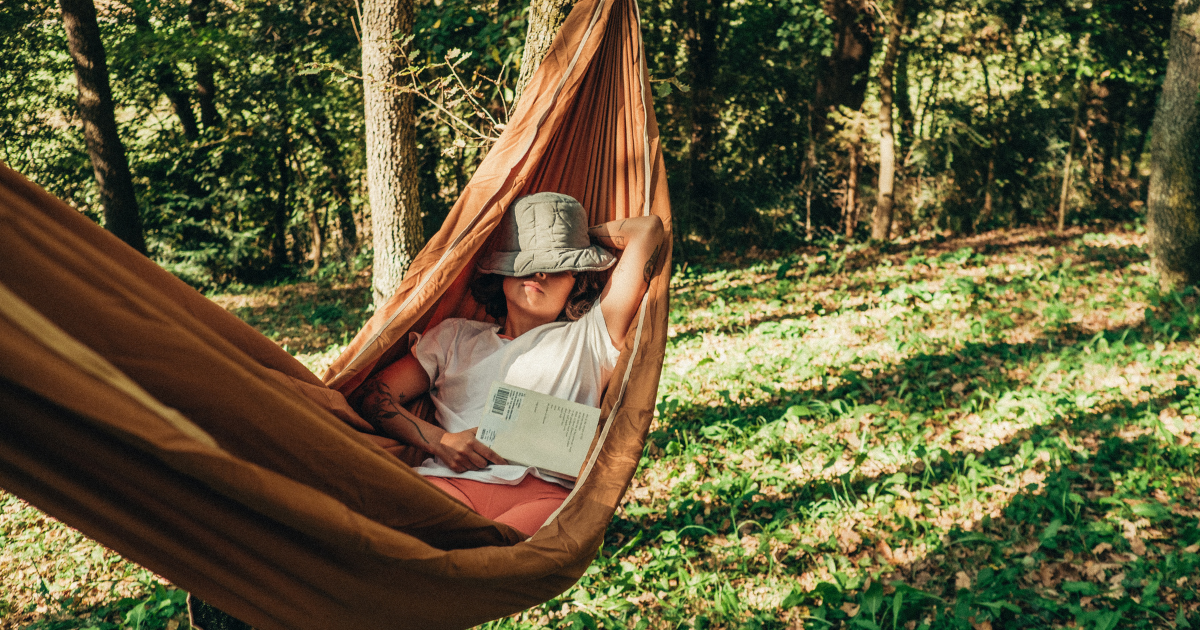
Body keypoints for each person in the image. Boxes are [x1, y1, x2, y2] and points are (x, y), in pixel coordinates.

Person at [353, 192, 664, 536]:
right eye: (526, 259)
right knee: (379, 530)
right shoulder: (454, 337)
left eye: (558, 264)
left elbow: (647, 230)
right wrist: (440, 441)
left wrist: (577, 236)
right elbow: (373, 395)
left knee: (491, 559)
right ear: (502, 273)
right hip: (449, 483)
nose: (540, 272)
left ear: (578, 279)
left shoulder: (591, 336)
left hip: (543, 497)